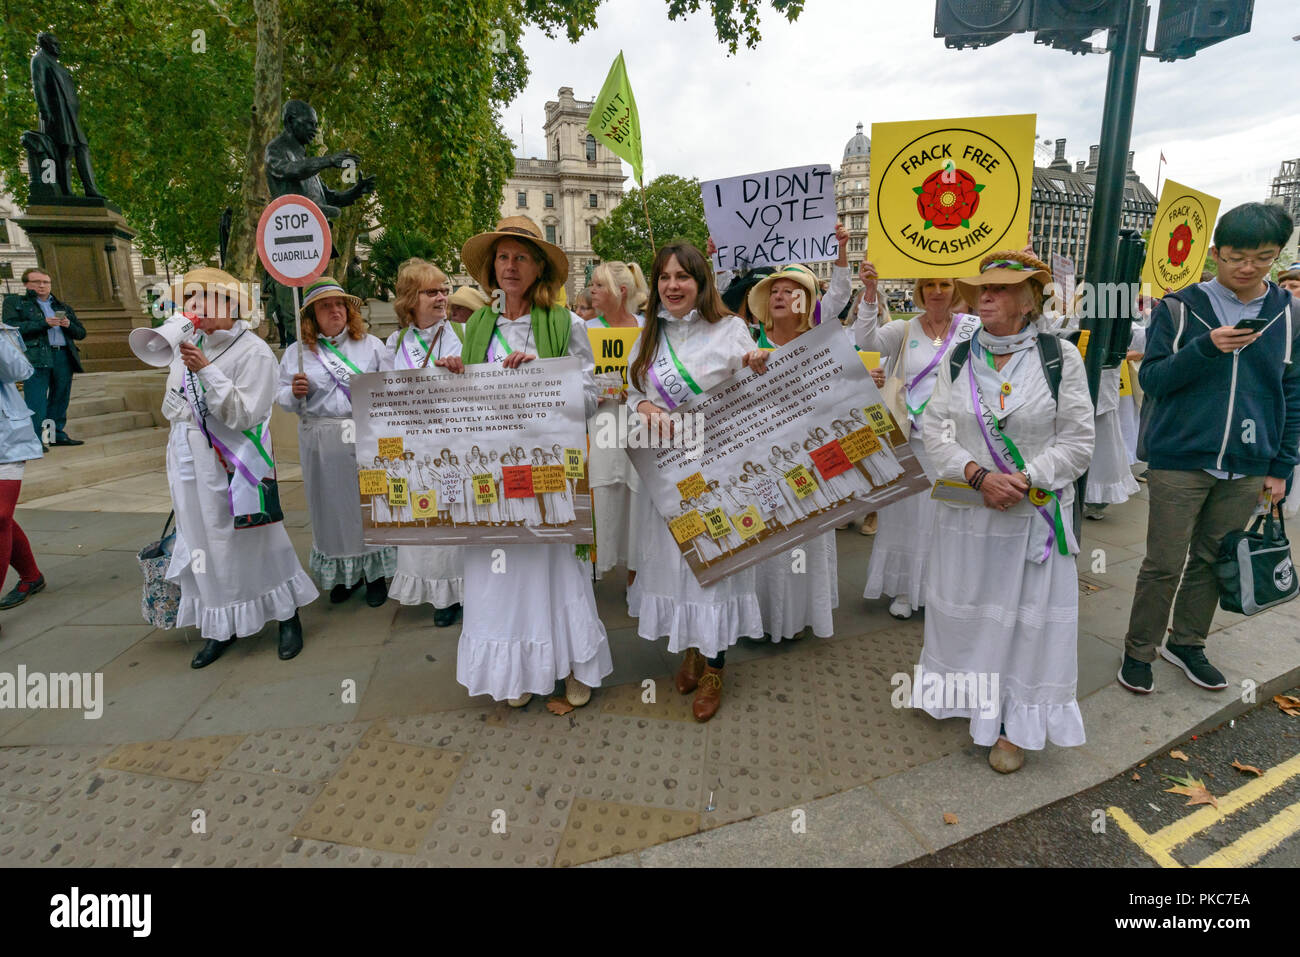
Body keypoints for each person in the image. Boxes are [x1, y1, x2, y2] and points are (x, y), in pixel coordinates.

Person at [920, 250, 1094, 773]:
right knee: (971, 615)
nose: (986, 297)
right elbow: (936, 430)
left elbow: (1079, 440)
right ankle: (975, 704)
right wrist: (978, 476)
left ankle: (1015, 726)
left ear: (1027, 299)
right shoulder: (959, 357)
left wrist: (1025, 479)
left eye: (999, 289)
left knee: (1025, 626)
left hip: (1031, 518)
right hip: (970, 513)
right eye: (982, 290)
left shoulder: (1060, 357)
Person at [1120, 204, 1300, 695]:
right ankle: (1139, 649)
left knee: (1213, 557)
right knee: (1163, 561)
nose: (1248, 267)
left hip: (1248, 463)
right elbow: (1153, 377)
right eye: (1237, 256)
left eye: (1262, 258)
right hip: (1180, 457)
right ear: (1215, 253)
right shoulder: (1179, 307)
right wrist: (1205, 348)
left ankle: (1188, 643)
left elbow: (1292, 390)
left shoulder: (1288, 313)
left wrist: (1281, 465)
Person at [450, 215, 612, 708]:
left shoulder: (568, 324)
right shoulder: (475, 325)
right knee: (503, 573)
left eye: (522, 256)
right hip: (491, 477)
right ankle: (519, 669)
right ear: (491, 268)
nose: (511, 265)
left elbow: (591, 396)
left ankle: (573, 665)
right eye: (503, 256)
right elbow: (465, 408)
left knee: (554, 566)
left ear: (539, 266)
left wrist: (545, 377)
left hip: (546, 475)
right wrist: (455, 377)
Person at [626, 241, 768, 721]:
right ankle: (691, 648)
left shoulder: (731, 330)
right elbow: (633, 392)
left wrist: (753, 365)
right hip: (666, 474)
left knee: (714, 568)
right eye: (664, 277)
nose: (672, 286)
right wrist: (644, 406)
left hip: (716, 473)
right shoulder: (650, 334)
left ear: (701, 282)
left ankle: (714, 668)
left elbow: (758, 390)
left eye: (682, 277)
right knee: (677, 565)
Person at [162, 268, 318, 669]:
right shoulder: (188, 344)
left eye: (205, 298)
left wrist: (205, 371)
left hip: (237, 463)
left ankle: (287, 615)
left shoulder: (254, 352)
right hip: (188, 458)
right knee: (204, 541)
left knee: (257, 539)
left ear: (231, 305)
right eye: (190, 299)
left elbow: (246, 414)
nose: (195, 307)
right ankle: (220, 625)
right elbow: (171, 403)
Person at [853, 262, 980, 619]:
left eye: (944, 284)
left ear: (955, 289)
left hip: (956, 443)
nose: (937, 291)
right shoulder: (903, 329)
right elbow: (867, 342)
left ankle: (944, 590)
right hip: (909, 440)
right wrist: (869, 293)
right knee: (905, 518)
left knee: (949, 516)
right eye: (929, 285)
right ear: (919, 291)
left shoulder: (972, 328)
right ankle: (906, 589)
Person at [744, 262, 848, 641]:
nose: (780, 296)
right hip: (762, 462)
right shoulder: (748, 344)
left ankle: (799, 615)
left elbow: (839, 395)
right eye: (774, 291)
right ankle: (761, 617)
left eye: (790, 291)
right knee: (767, 535)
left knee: (804, 538)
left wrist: (861, 379)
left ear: (806, 302)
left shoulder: (823, 344)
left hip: (810, 461)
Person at [277, 277, 395, 607]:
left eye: (340, 304)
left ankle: (374, 575)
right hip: (320, 438)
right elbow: (281, 396)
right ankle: (346, 574)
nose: (335, 311)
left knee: (368, 503)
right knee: (330, 507)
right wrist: (294, 392)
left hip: (363, 434)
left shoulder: (370, 345)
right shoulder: (297, 353)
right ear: (312, 316)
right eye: (326, 306)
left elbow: (388, 389)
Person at [379, 259, 464, 626]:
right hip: (413, 450)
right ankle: (436, 590)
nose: (442, 296)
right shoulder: (394, 343)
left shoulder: (463, 334)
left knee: (455, 516)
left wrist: (461, 373)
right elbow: (382, 398)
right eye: (432, 291)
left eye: (444, 289)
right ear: (410, 299)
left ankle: (461, 591)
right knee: (424, 518)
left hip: (454, 445)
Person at [586, 260, 648, 584]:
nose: (591, 291)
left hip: (638, 424)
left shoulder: (647, 328)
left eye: (598, 285)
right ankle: (600, 563)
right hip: (603, 421)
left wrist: (638, 392)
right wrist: (589, 394)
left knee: (638, 493)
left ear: (619, 292)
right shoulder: (586, 330)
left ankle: (635, 577)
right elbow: (577, 379)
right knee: (606, 491)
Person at [3, 268, 86, 448]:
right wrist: (43, 323)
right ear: (26, 284)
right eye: (36, 282)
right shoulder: (15, 302)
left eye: (45, 282)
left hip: (63, 355)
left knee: (60, 398)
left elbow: (81, 333)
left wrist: (68, 325)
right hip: (35, 356)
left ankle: (54, 435)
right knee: (36, 398)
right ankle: (35, 440)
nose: (42, 285)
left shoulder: (61, 306)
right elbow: (10, 328)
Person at [0, 318, 46, 620]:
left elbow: (21, 372)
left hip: (6, 438)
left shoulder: (4, 334)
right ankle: (31, 575)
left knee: (0, 515)